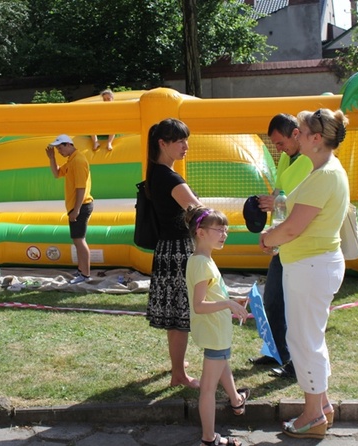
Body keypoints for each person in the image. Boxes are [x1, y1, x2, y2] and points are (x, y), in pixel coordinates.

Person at [259, 108, 350, 439]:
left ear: (316, 139)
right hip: (312, 266)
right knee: (311, 339)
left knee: (303, 342)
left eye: (300, 130)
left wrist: (267, 239)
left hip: (310, 267)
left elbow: (293, 228)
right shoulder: (324, 171)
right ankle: (321, 406)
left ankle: (312, 416)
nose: (294, 135)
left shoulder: (324, 175)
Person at [249, 114, 313, 379]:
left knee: (297, 308)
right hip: (285, 241)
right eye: (274, 144)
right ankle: (279, 353)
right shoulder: (287, 157)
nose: (278, 149)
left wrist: (277, 204)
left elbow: (302, 207)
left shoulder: (313, 162)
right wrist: (269, 201)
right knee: (273, 299)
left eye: (279, 142)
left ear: (296, 134)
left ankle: (298, 365)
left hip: (303, 245)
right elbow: (281, 193)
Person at [184, 206, 249, 446]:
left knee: (222, 364)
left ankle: (236, 401)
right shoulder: (202, 262)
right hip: (214, 331)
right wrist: (229, 303)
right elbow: (199, 305)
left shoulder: (203, 259)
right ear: (200, 232)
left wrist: (231, 298)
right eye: (219, 229)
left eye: (226, 230)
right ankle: (209, 439)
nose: (224, 234)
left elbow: (212, 294)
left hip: (215, 331)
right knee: (208, 390)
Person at [146, 118, 202, 389]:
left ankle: (178, 365)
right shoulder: (169, 177)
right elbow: (199, 214)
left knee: (175, 315)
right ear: (162, 143)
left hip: (168, 249)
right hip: (179, 251)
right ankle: (179, 375)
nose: (185, 146)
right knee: (180, 316)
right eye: (180, 141)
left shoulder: (156, 172)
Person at [45, 134, 94, 284]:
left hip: (81, 205)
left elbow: (81, 187)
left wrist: (77, 210)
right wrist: (52, 158)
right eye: (57, 148)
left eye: (60, 148)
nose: (59, 151)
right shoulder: (72, 160)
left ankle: (85, 275)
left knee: (79, 240)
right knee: (77, 240)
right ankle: (81, 270)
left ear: (68, 145)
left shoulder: (78, 161)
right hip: (77, 205)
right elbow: (57, 173)